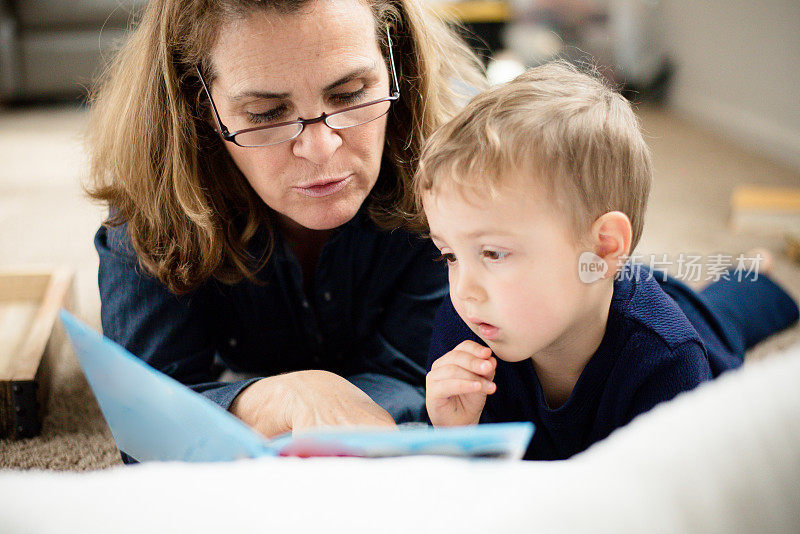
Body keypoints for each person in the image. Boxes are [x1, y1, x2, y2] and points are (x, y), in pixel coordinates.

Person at [85, 0, 486, 461]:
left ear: (397, 66)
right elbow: (144, 418)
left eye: (351, 93)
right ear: (200, 107)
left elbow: (426, 375)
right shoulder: (156, 195)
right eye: (266, 112)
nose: (320, 148)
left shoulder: (457, 165)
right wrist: (276, 400)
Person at [413, 62, 799, 460]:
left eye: (493, 253)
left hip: (654, 311)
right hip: (598, 281)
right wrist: (452, 432)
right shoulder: (467, 324)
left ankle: (750, 273)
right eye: (450, 255)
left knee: (719, 317)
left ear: (603, 246)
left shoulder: (669, 359)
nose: (463, 289)